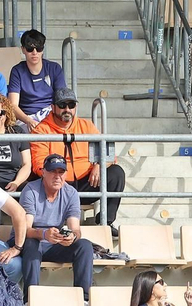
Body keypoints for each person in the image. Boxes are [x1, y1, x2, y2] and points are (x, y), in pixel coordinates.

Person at [29, 89, 126, 230]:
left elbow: (109, 155)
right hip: (57, 185)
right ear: (53, 107)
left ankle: (106, 222)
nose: (67, 109)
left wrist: (99, 165)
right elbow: (39, 165)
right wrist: (58, 178)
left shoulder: (86, 126)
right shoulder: (41, 130)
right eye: (62, 105)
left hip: (87, 181)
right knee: (36, 181)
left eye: (71, 105)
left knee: (116, 173)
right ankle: (49, 224)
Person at [18, 154, 95, 296]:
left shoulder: (71, 193)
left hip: (55, 243)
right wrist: (44, 234)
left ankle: (84, 299)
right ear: (43, 172)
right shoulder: (30, 190)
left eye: (61, 172)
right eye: (52, 171)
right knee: (31, 243)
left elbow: (75, 229)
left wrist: (71, 237)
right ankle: (30, 299)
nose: (57, 176)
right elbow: (25, 230)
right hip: (33, 242)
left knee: (84, 245)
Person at [8, 28, 66, 127]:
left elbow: (62, 99)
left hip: (51, 115)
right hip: (25, 118)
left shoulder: (54, 68)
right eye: (30, 49)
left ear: (43, 49)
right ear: (23, 49)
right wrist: (28, 121)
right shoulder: (17, 71)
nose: (34, 52)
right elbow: (13, 105)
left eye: (38, 48)